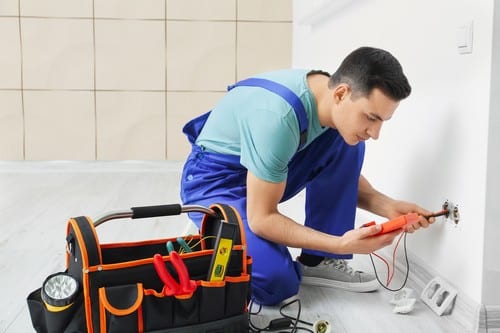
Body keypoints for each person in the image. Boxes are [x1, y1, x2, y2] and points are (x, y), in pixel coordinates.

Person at [180, 46, 435, 306]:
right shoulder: (278, 118)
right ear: (341, 93)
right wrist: (340, 244)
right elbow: (263, 218)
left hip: (261, 171)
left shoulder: (329, 100)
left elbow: (341, 178)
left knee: (349, 141)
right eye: (371, 117)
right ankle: (212, 235)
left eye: (383, 121)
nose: (376, 132)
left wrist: (389, 207)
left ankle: (317, 260)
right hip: (217, 182)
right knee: (277, 283)